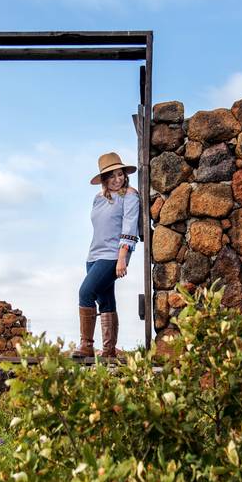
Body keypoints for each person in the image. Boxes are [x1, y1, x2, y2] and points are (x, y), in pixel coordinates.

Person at [73, 152, 140, 359]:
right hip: (93, 256)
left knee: (85, 292)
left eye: (120, 174)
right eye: (112, 176)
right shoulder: (98, 198)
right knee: (106, 300)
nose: (117, 179)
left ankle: (86, 346)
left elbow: (129, 225)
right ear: (104, 179)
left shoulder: (129, 195)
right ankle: (109, 351)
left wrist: (122, 257)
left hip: (112, 255)